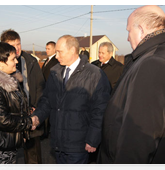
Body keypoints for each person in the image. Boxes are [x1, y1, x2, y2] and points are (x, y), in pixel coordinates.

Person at [96, 5, 165, 170]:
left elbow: (137, 141)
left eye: (128, 31)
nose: (127, 38)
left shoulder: (155, 63)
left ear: (141, 29)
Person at [32, 35, 111, 170]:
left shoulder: (94, 74)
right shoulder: (55, 72)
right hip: (58, 141)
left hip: (79, 144)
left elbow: (100, 110)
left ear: (72, 50)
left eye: (60, 52)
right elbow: (46, 100)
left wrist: (93, 139)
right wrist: (37, 117)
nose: (56, 56)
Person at [0, 29, 45, 170]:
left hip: (30, 116)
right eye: (12, 45)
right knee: (6, 157)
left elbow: (40, 87)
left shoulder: (30, 61)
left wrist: (35, 108)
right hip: (9, 120)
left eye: (18, 44)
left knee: (33, 159)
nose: (16, 48)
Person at [41, 41, 59, 139]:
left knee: (49, 112)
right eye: (46, 48)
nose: (46, 51)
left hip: (51, 89)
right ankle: (45, 131)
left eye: (48, 49)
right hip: (44, 89)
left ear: (54, 49)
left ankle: (47, 132)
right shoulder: (46, 61)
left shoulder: (56, 62)